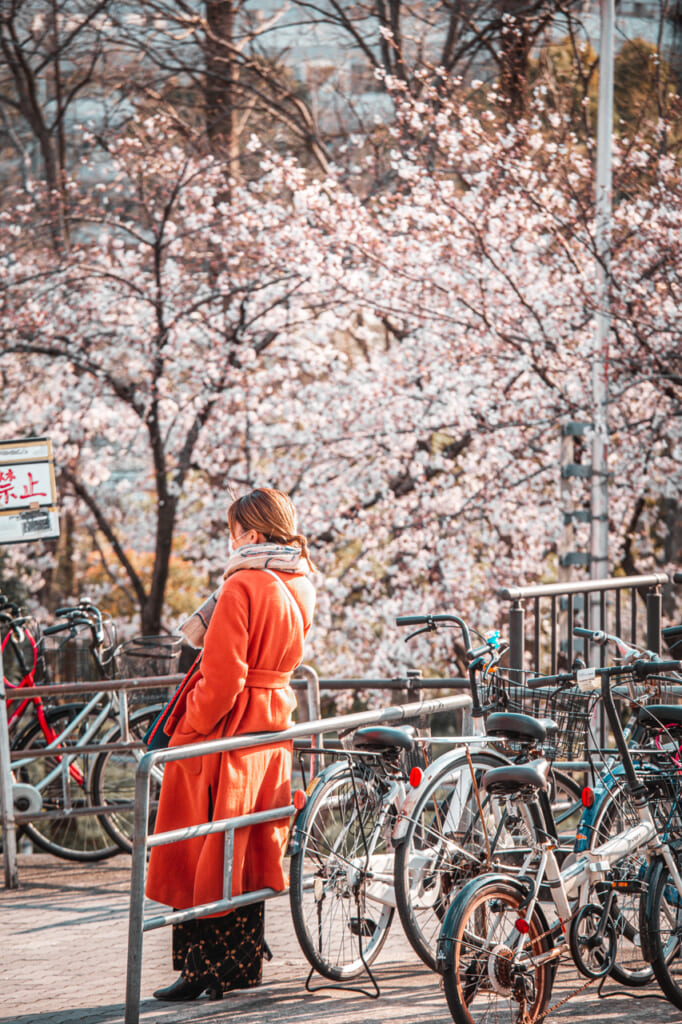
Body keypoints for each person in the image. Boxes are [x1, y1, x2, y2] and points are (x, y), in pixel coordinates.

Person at [146, 487, 316, 1001]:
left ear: (254, 534)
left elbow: (221, 681)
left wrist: (188, 725)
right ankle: (240, 965)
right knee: (243, 845)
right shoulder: (301, 581)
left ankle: (201, 971)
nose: (230, 541)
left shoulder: (242, 585)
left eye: (233, 531)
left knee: (204, 844)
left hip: (227, 730)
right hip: (271, 726)